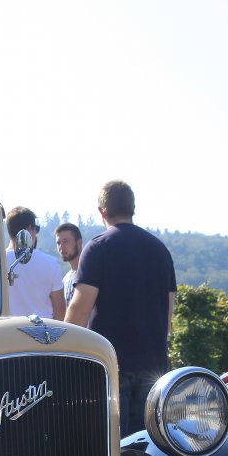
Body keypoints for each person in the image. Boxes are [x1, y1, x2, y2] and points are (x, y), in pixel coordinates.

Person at [65, 181, 176, 435]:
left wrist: (61, 351)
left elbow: (80, 310)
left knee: (112, 446)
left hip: (110, 363)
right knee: (147, 445)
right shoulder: (160, 250)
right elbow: (168, 314)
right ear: (132, 208)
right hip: (153, 365)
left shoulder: (98, 247)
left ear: (102, 211)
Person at [3, 206, 66, 320]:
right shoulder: (51, 263)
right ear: (29, 229)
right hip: (42, 329)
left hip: (5, 329)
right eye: (36, 229)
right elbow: (60, 311)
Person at [54, 222, 84, 310]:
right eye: (58, 243)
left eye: (65, 241)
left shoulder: (90, 274)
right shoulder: (65, 279)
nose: (61, 247)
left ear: (79, 243)